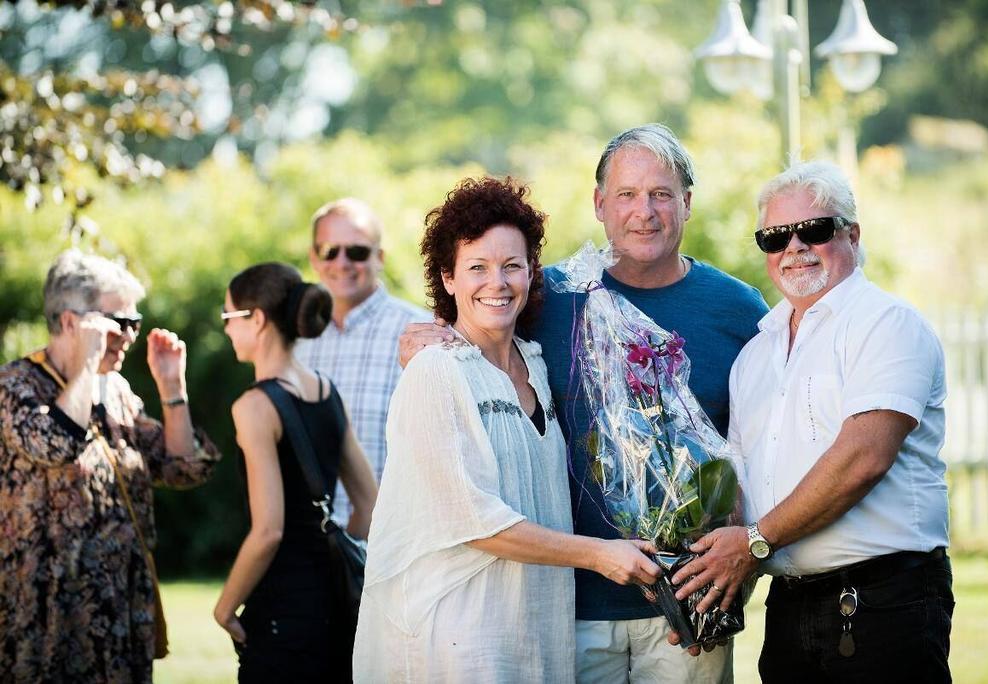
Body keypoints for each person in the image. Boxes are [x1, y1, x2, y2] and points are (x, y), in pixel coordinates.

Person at [399, 125, 768, 684]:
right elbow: (474, 328)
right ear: (599, 204)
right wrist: (421, 340)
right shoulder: (546, 296)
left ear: (687, 203)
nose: (643, 211)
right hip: (566, 606)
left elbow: (763, 444)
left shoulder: (739, 310)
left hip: (688, 606)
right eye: (626, 194)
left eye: (661, 194)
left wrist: (746, 557)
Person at [354, 177, 662, 683]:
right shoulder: (436, 371)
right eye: (476, 267)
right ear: (448, 279)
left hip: (533, 635)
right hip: (456, 645)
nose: (496, 283)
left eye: (511, 266)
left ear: (530, 272)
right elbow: (474, 520)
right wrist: (600, 555)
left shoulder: (536, 364)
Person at [673, 161, 953, 682]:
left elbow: (863, 459)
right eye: (776, 237)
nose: (795, 248)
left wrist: (755, 542)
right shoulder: (756, 354)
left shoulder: (887, 325)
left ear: (852, 233)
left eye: (815, 230)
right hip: (789, 606)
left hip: (882, 601)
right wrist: (705, 588)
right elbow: (740, 487)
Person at [0, 249, 220, 683]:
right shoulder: (15, 386)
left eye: (134, 324)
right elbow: (58, 443)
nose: (130, 337)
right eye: (118, 324)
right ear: (69, 321)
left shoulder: (116, 390)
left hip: (121, 609)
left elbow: (183, 467)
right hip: (44, 618)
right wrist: (85, 366)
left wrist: (172, 388)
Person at [213, 262, 378, 683]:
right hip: (337, 604)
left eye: (229, 317)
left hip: (282, 610)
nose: (227, 330)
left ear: (258, 320)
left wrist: (226, 607)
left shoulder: (254, 406)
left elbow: (268, 531)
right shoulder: (327, 392)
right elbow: (369, 506)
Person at [295, 198, 430, 528]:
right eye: (329, 250)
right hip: (311, 543)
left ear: (379, 257)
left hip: (393, 545)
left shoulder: (421, 334)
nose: (341, 262)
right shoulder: (295, 341)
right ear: (314, 257)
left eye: (356, 251)